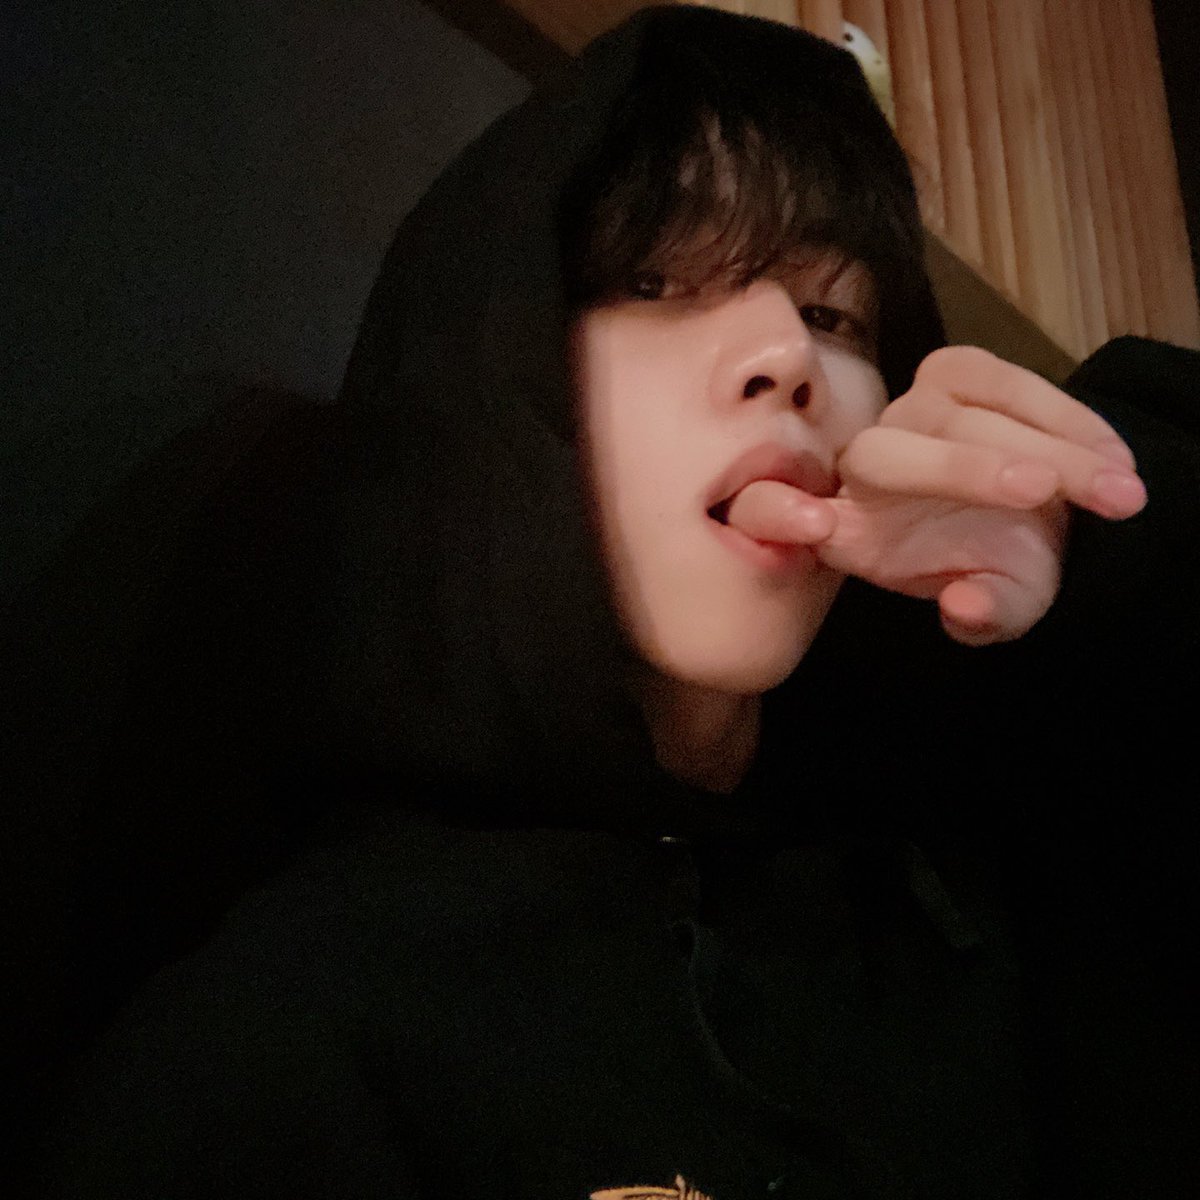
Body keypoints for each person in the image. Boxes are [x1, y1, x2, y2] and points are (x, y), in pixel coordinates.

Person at [28, 5, 1198, 1197]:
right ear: (498, 373)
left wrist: (1116, 559)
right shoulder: (293, 1042)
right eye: (656, 278)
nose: (788, 356)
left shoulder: (971, 869)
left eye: (835, 314)